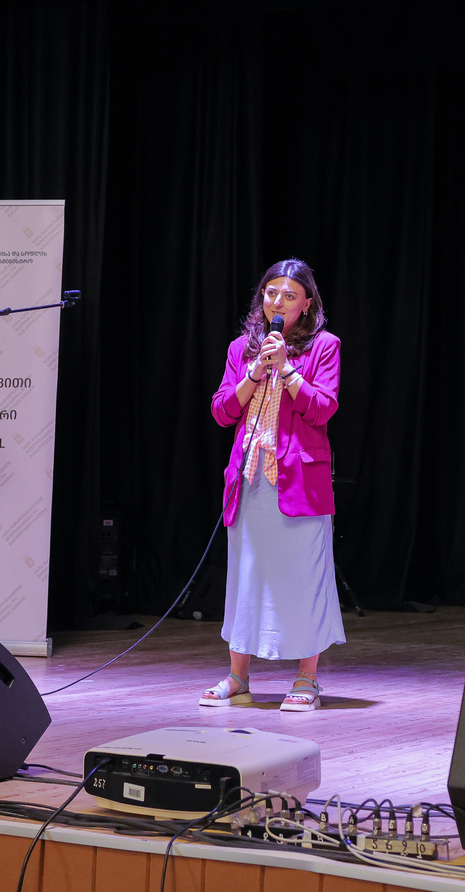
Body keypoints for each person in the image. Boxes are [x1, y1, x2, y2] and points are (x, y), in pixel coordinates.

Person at [202, 259, 344, 711]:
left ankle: (307, 678)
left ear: (307, 304)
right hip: (249, 481)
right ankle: (237, 676)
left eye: (289, 295)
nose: (277, 302)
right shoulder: (242, 349)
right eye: (270, 293)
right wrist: (254, 372)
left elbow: (322, 409)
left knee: (303, 580)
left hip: (299, 481)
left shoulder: (324, 346)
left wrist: (286, 370)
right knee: (245, 577)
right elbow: (222, 411)